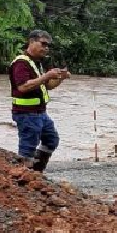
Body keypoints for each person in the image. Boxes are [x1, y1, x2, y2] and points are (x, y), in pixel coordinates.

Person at [9, 29, 70, 171]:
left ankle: (36, 171)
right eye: (43, 44)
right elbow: (23, 87)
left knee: (51, 140)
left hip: (40, 113)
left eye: (48, 45)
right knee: (28, 147)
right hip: (26, 113)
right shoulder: (21, 63)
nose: (46, 48)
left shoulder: (36, 63)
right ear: (31, 42)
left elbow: (48, 86)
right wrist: (47, 75)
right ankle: (23, 177)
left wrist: (61, 77)